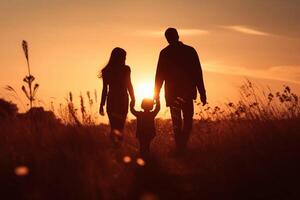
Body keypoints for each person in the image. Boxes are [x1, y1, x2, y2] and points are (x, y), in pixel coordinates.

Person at [154, 28, 207, 153]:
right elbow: (197, 74)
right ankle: (181, 146)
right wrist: (202, 92)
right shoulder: (189, 51)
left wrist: (156, 94)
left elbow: (159, 76)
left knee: (176, 121)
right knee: (187, 120)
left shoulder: (165, 53)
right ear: (177, 35)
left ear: (167, 38)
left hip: (172, 93)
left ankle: (180, 146)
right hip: (187, 92)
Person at [99, 47, 135, 145]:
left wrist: (102, 104)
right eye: (124, 57)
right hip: (122, 99)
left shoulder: (107, 70)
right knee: (120, 127)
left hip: (112, 100)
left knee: (114, 127)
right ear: (119, 57)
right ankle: (117, 147)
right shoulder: (125, 69)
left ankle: (115, 148)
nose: (125, 59)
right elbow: (129, 85)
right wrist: (133, 98)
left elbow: (105, 90)